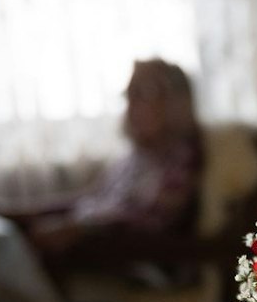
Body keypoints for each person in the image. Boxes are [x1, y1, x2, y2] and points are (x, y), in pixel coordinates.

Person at [24, 59, 206, 261]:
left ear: (176, 101)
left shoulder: (182, 157)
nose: (132, 103)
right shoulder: (134, 157)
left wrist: (78, 229)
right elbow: (92, 200)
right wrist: (28, 213)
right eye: (129, 94)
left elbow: (153, 222)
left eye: (144, 92)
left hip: (124, 260)